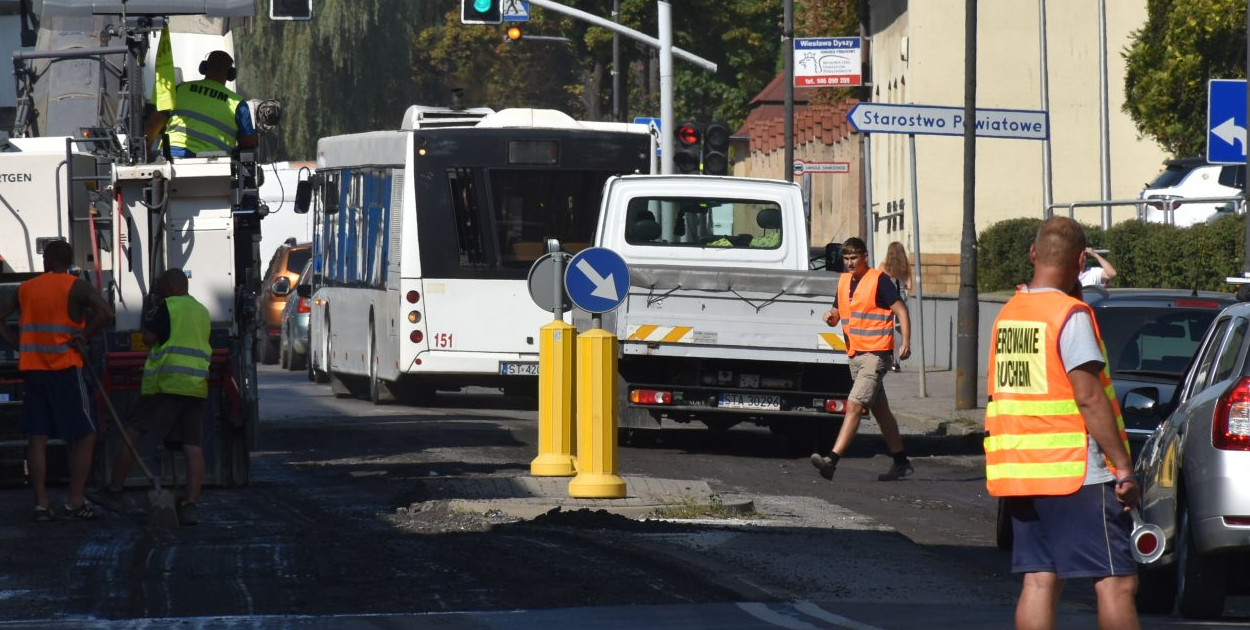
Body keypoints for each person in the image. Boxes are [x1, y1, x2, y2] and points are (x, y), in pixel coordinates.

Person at [986, 217, 1139, 630]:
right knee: (1116, 582)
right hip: (1074, 472)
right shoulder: (1069, 315)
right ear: (1079, 261)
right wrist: (1123, 468)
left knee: (1039, 579)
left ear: (1034, 254)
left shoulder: (1011, 315)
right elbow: (1089, 397)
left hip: (1021, 470)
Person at [0, 240, 113, 521]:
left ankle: (41, 503)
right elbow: (107, 313)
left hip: (34, 372)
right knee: (86, 434)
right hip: (66, 370)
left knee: (36, 437)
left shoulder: (26, 289)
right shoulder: (76, 286)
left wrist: (16, 343)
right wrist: (85, 337)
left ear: (46, 262)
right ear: (69, 260)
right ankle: (75, 501)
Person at [98, 269, 212, 526]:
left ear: (171, 286)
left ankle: (114, 490)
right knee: (193, 446)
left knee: (134, 430)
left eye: (160, 286)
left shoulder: (169, 308)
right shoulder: (202, 310)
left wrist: (151, 319)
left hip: (166, 385)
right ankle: (191, 505)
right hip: (195, 386)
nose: (157, 290)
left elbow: (150, 338)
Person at [811, 237, 914, 482]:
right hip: (855, 355)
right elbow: (838, 312)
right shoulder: (844, 281)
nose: (849, 263)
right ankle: (901, 462)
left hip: (876, 355)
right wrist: (831, 317)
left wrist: (906, 342)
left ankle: (831, 461)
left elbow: (901, 309)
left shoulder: (878, 280)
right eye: (846, 259)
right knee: (881, 411)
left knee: (855, 405)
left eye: (854, 258)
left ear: (864, 257)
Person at [145, 50, 258, 158]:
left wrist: (147, 151)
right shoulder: (238, 103)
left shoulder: (180, 90)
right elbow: (247, 143)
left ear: (203, 67)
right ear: (231, 74)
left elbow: (154, 122)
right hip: (215, 164)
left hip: (172, 157)